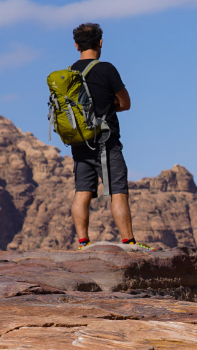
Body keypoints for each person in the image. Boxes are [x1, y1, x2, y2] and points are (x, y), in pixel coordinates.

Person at [68, 23, 153, 251]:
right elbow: (126, 103)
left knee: (82, 191)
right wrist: (109, 105)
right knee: (118, 192)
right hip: (106, 142)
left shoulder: (68, 74)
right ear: (101, 42)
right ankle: (129, 242)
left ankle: (83, 243)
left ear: (76, 45)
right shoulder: (106, 69)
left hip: (79, 142)